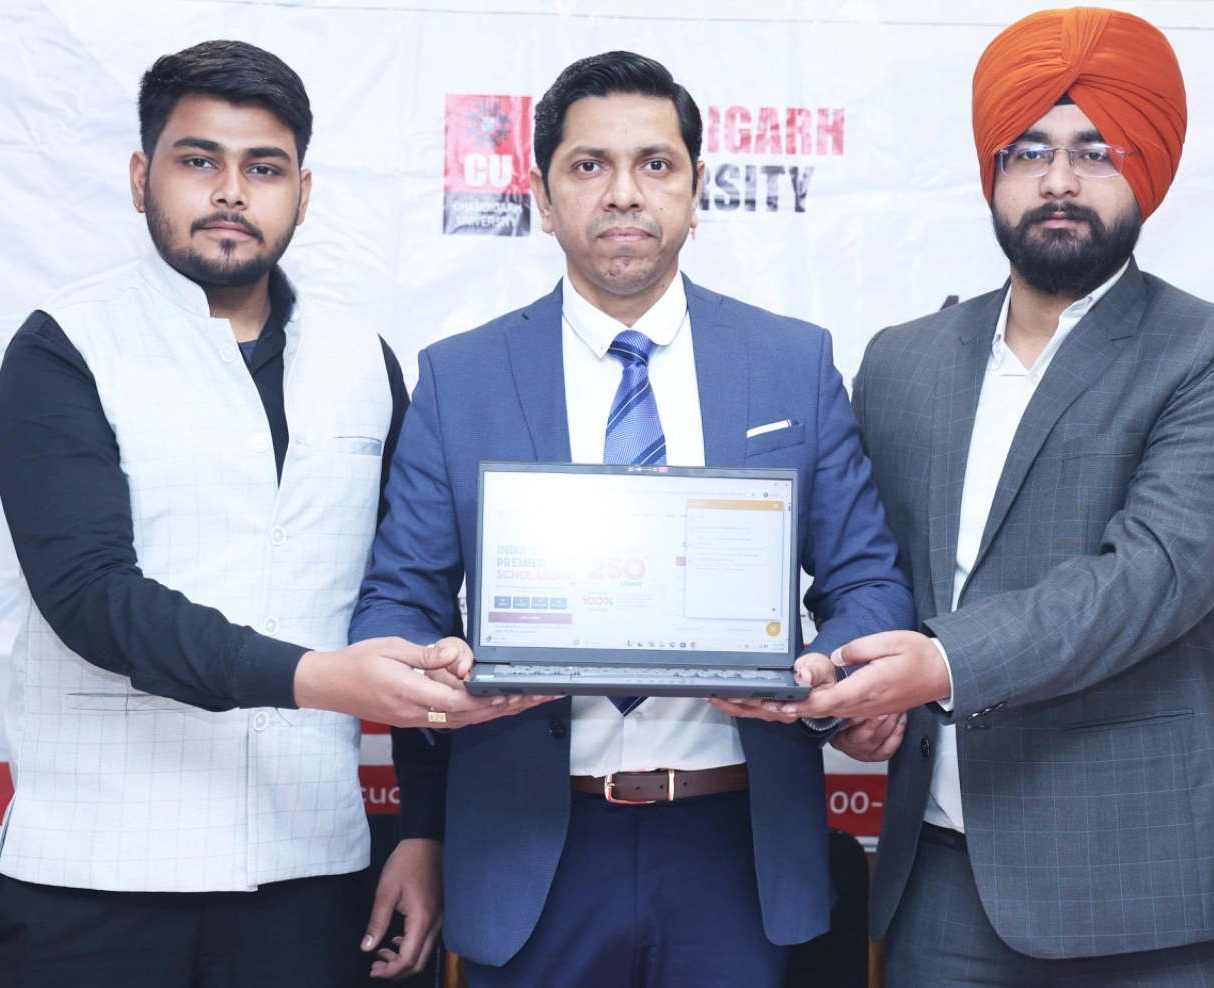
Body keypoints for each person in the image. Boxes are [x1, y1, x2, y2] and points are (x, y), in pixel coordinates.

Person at [350, 50, 914, 988]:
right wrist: (436, 670)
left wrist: (825, 671)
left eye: (655, 164)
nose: (623, 192)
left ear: (697, 190)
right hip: (530, 845)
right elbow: (395, 603)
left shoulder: (790, 363)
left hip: (735, 843)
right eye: (589, 165)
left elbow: (867, 581)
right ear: (542, 197)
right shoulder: (460, 377)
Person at [0, 40, 541, 988]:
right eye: (198, 160)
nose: (231, 192)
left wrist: (423, 830)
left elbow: (404, 596)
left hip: (309, 867)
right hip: (97, 873)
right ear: (141, 177)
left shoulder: (362, 360)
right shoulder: (64, 348)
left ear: (303, 192)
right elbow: (90, 597)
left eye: (264, 168)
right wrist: (316, 678)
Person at [794, 8, 1214, 985]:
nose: (1059, 179)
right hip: (942, 891)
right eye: (1029, 150)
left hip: (1152, 898)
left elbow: (1148, 579)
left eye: (1094, 151)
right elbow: (866, 577)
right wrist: (850, 694)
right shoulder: (901, 362)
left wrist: (935, 665)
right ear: (992, 170)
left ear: (1145, 170)